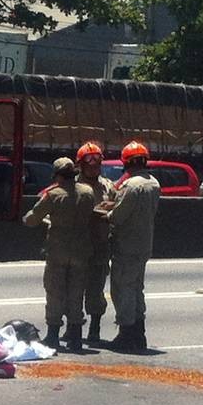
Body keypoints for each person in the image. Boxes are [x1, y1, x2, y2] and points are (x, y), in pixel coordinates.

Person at [23, 157, 96, 351]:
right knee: (76, 293)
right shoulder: (88, 192)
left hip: (58, 251)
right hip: (81, 250)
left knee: (55, 292)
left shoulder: (53, 195)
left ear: (57, 176)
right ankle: (76, 338)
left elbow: (32, 219)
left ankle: (53, 336)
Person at [106, 141, 161, 351]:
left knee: (122, 289)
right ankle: (139, 333)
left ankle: (127, 334)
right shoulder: (153, 183)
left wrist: (106, 214)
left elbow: (119, 216)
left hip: (126, 245)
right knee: (137, 288)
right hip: (144, 243)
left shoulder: (131, 185)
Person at [75, 142, 118, 344]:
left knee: (95, 290)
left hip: (100, 246)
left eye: (97, 161)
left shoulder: (108, 186)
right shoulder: (71, 186)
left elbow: (120, 209)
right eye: (89, 161)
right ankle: (73, 327)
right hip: (76, 246)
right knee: (72, 290)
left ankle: (95, 327)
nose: (93, 165)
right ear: (81, 164)